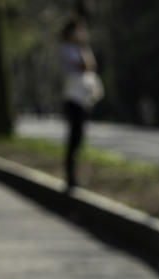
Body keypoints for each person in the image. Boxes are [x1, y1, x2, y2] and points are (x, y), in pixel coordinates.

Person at [60, 15, 102, 190]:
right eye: (79, 30)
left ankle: (74, 175)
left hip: (83, 98)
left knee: (79, 138)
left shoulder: (80, 48)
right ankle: (70, 177)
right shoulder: (67, 49)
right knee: (74, 137)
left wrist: (84, 46)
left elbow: (92, 66)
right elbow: (85, 66)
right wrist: (83, 46)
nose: (82, 33)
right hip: (73, 98)